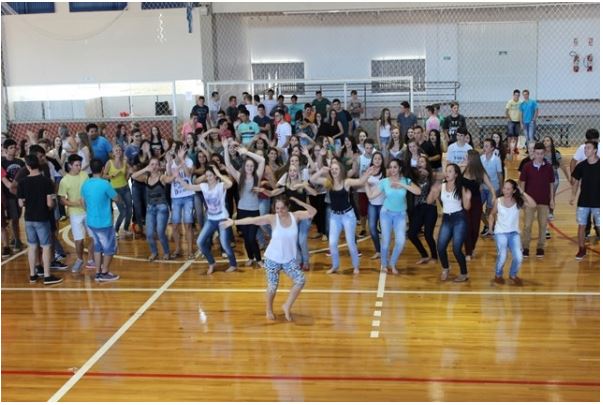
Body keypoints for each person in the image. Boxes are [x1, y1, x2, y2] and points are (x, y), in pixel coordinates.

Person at [221, 196, 316, 321]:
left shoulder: (295, 216)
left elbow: (313, 212)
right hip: (272, 258)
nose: (280, 211)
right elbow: (253, 220)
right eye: (277, 208)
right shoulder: (272, 218)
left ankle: (287, 306)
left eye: (282, 208)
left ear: (288, 207)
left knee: (300, 280)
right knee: (272, 286)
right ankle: (269, 309)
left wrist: (299, 201)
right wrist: (234, 222)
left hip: (288, 259)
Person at [310, 160, 377, 275]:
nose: (334, 171)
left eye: (336, 169)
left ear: (341, 170)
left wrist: (368, 173)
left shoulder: (346, 182)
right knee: (332, 243)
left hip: (348, 216)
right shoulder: (328, 182)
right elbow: (312, 179)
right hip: (335, 216)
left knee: (351, 243)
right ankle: (335, 266)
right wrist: (321, 171)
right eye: (332, 169)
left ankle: (356, 266)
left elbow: (360, 181)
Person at [178, 163, 238, 273]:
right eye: (207, 176)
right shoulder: (204, 186)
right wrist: (178, 178)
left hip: (222, 219)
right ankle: (211, 263)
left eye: (211, 175)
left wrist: (219, 174)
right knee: (200, 242)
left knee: (225, 244)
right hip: (210, 219)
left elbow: (230, 183)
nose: (209, 178)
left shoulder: (220, 186)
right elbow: (188, 187)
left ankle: (233, 264)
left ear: (215, 176)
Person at [366, 158, 420, 274]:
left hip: (400, 215)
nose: (392, 169)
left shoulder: (406, 180)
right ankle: (384, 264)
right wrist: (365, 180)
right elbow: (371, 196)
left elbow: (418, 191)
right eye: (390, 167)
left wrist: (401, 184)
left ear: (399, 168)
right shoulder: (384, 181)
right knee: (385, 242)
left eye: (395, 167)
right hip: (386, 213)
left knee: (400, 241)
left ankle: (392, 263)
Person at [17, 154, 63, 285]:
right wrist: (51, 205)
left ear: (27, 166)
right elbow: (49, 203)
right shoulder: (46, 181)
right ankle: (47, 276)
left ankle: (33, 275)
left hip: (28, 218)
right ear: (39, 164)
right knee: (46, 246)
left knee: (32, 246)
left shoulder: (22, 182)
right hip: (42, 218)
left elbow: (20, 203)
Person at [223, 139, 266, 266]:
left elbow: (262, 160)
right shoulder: (239, 176)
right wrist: (225, 148)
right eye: (247, 166)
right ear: (244, 167)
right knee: (247, 238)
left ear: (254, 167)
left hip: (254, 211)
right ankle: (250, 258)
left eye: (251, 166)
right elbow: (228, 164)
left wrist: (247, 152)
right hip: (242, 211)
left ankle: (259, 259)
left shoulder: (257, 176)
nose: (249, 168)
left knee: (252, 237)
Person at [427, 164, 472, 282]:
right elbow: (429, 201)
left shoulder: (461, 187)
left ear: (456, 174)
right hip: (446, 219)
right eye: (446, 171)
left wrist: (467, 198)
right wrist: (432, 191)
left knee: (456, 249)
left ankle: (464, 273)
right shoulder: (441, 186)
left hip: (459, 219)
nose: (447, 173)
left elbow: (467, 207)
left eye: (450, 171)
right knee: (440, 247)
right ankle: (446, 268)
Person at [489, 179, 537, 285]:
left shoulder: (518, 202)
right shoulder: (498, 201)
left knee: (519, 257)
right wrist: (491, 228)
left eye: (508, 189)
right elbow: (492, 214)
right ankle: (498, 275)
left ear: (514, 191)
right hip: (500, 232)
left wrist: (522, 192)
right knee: (502, 256)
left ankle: (513, 274)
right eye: (504, 188)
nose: (505, 191)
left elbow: (533, 204)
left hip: (514, 233)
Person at [81, 159, 120, 282]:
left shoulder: (85, 184)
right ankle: (104, 272)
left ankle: (98, 272)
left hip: (91, 221)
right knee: (109, 248)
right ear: (103, 169)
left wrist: (89, 212)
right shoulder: (105, 184)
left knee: (98, 247)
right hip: (104, 222)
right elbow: (116, 198)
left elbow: (82, 202)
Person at [58, 154, 95, 273]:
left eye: (80, 165)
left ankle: (91, 259)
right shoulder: (64, 181)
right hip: (75, 214)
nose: (79, 167)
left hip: (88, 211)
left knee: (94, 237)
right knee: (79, 240)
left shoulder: (84, 175)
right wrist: (75, 203)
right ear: (70, 165)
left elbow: (90, 190)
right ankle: (79, 259)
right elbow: (62, 200)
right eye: (76, 165)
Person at [519, 142, 555, 258]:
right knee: (527, 225)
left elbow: (551, 184)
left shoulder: (548, 167)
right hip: (529, 202)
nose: (539, 156)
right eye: (537, 153)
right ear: (533, 153)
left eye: (541, 153)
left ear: (544, 154)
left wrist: (552, 199)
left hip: (544, 201)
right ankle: (525, 247)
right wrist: (523, 199)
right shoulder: (527, 166)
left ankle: (540, 247)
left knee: (543, 225)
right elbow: (522, 184)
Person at [131, 158, 172, 261]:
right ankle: (154, 252)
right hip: (150, 208)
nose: (154, 166)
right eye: (152, 164)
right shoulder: (146, 178)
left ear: (159, 166)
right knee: (149, 234)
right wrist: (145, 169)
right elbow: (133, 176)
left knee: (160, 232)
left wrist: (172, 173)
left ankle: (166, 252)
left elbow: (169, 180)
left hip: (162, 208)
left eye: (156, 164)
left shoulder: (162, 177)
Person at [570, 140, 600, 260]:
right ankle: (581, 249)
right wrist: (573, 196)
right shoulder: (581, 166)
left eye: (588, 148)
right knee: (581, 226)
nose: (586, 150)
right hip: (583, 201)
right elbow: (576, 182)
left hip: (598, 202)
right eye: (585, 148)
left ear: (595, 150)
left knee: (600, 226)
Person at [407, 155, 439, 264]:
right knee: (411, 234)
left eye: (422, 161)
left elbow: (441, 179)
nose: (420, 163)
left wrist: (429, 175)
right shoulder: (414, 176)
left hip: (430, 208)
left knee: (428, 234)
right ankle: (424, 255)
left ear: (426, 164)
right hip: (418, 208)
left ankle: (434, 256)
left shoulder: (433, 175)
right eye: (418, 161)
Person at [103, 143, 133, 238]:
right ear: (113, 153)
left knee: (130, 209)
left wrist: (129, 173)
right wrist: (112, 176)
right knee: (123, 211)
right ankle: (115, 230)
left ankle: (126, 229)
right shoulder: (109, 162)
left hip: (125, 188)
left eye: (120, 150)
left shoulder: (124, 162)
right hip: (115, 190)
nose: (118, 152)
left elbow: (127, 177)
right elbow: (103, 176)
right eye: (116, 150)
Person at [1, 139, 25, 251]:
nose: (14, 149)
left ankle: (14, 238)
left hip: (19, 194)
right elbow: (5, 182)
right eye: (11, 148)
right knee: (14, 218)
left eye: (15, 147)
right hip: (8, 195)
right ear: (5, 150)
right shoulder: (2, 163)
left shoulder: (20, 162)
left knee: (18, 216)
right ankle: (17, 240)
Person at [480, 139, 504, 236]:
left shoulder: (497, 160)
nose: (484, 148)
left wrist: (501, 188)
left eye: (486, 146)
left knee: (490, 209)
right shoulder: (481, 158)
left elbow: (499, 174)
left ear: (492, 148)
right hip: (483, 187)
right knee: (477, 207)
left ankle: (490, 226)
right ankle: (488, 225)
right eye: (484, 145)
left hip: (493, 188)